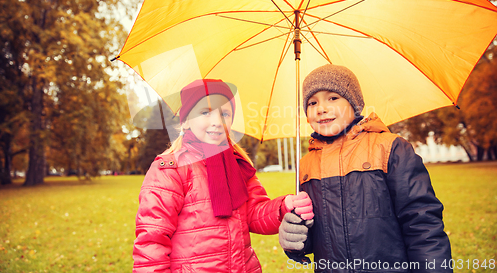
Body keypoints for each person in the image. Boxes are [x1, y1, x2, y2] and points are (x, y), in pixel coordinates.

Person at [279, 64, 452, 272]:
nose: (321, 108)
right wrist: (295, 236)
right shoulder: (306, 165)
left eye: (333, 98)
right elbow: (313, 236)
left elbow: (422, 222)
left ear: (354, 103)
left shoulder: (390, 148)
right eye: (312, 102)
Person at [133, 79, 313, 273]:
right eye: (205, 112)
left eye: (225, 113)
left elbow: (254, 214)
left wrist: (284, 206)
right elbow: (152, 241)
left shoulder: (237, 164)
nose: (217, 121)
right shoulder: (170, 169)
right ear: (185, 120)